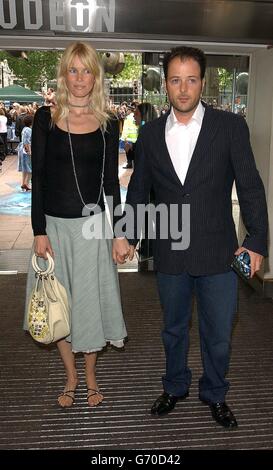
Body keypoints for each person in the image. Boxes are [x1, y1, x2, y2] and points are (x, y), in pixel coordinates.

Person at [123, 46, 268, 428]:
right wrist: (127, 236)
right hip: (170, 254)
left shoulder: (230, 127)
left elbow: (251, 188)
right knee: (172, 329)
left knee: (218, 333)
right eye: (175, 80)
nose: (183, 89)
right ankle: (174, 387)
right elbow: (139, 191)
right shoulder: (151, 134)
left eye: (191, 79)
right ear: (164, 85)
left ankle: (215, 393)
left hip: (219, 253)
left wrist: (256, 242)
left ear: (202, 82)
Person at [24, 41, 129, 408]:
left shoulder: (107, 124)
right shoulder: (44, 120)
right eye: (73, 69)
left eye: (87, 70)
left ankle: (90, 376)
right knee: (59, 308)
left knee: (89, 305)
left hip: (92, 229)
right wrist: (38, 231)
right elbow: (38, 178)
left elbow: (111, 184)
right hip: (53, 229)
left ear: (96, 77)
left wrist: (119, 232)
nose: (80, 77)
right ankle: (70, 376)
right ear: (64, 75)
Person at [18, 114, 33, 191]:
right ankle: (27, 184)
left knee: (25, 168)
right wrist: (29, 151)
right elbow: (27, 142)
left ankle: (23, 183)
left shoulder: (24, 129)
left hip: (22, 149)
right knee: (30, 168)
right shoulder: (29, 130)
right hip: (26, 150)